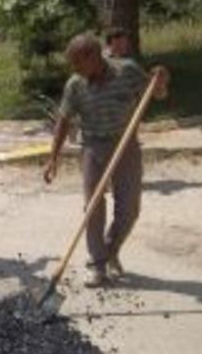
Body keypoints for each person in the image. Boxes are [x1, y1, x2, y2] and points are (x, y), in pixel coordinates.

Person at [43, 34, 170, 287]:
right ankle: (97, 265)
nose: (74, 69)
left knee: (130, 209)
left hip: (126, 145)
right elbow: (64, 120)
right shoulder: (75, 84)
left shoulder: (128, 71)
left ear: (93, 56)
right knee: (93, 207)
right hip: (92, 146)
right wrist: (53, 158)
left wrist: (161, 81)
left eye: (77, 62)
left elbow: (156, 94)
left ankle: (110, 251)